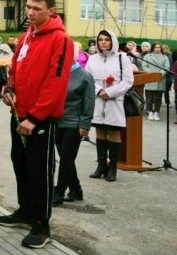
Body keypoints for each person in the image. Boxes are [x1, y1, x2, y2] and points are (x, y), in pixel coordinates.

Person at [0, 0, 72, 249]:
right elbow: (16, 66)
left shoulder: (61, 40)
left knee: (40, 171)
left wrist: (36, 116)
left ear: (51, 11)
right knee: (21, 163)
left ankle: (42, 225)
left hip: (39, 118)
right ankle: (26, 211)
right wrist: (11, 91)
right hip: (19, 112)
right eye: (28, 7)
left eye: (36, 9)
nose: (29, 12)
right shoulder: (27, 34)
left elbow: (56, 81)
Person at [85, 30, 133, 182]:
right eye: (100, 39)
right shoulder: (92, 59)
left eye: (107, 39)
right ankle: (101, 165)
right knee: (99, 130)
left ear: (113, 41)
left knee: (113, 131)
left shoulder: (122, 58)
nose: (103, 42)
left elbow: (128, 80)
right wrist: (99, 91)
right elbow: (87, 79)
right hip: (98, 100)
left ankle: (113, 167)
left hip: (114, 101)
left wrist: (110, 92)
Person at [53, 42, 95, 205]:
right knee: (66, 158)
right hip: (57, 121)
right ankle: (76, 189)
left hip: (74, 123)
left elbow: (89, 102)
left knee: (66, 158)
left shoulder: (85, 76)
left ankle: (59, 191)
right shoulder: (58, 73)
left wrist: (85, 125)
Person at [142, 42, 169, 121]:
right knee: (149, 98)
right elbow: (144, 66)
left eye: (159, 47)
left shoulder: (165, 57)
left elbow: (166, 67)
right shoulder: (147, 56)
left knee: (158, 98)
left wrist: (160, 74)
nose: (157, 49)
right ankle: (150, 112)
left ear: (161, 48)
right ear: (153, 48)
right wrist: (151, 73)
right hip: (150, 78)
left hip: (160, 79)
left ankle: (156, 112)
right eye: (156, 47)